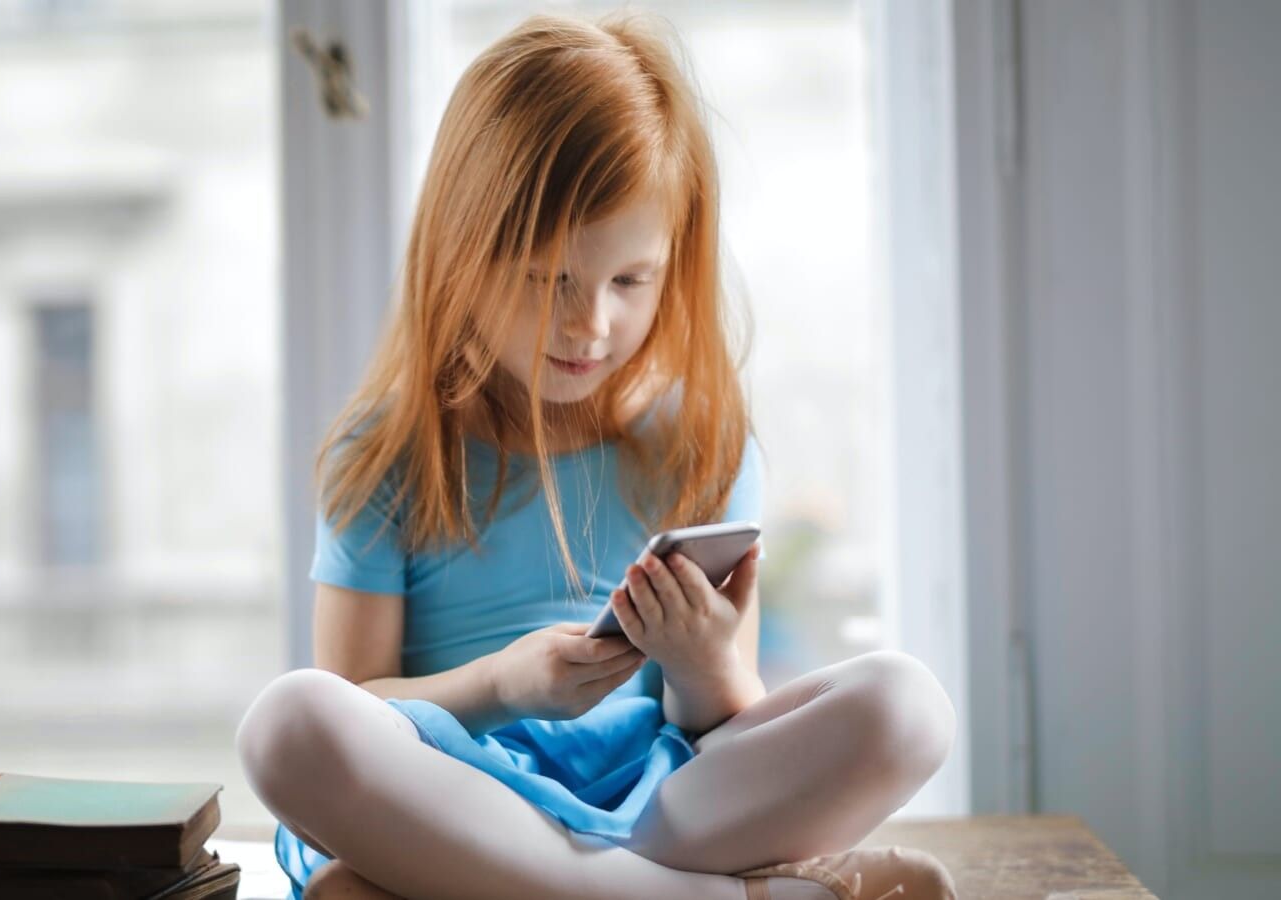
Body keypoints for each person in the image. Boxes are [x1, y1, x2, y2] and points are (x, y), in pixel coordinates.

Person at [237, 10, 957, 900]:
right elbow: (354, 704)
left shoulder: (703, 443)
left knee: (907, 704)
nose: (590, 324)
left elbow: (723, 719)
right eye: (549, 281)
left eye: (630, 281)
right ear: (463, 256)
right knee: (287, 723)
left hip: (656, 798)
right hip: (463, 797)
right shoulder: (390, 454)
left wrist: (699, 662)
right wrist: (506, 684)